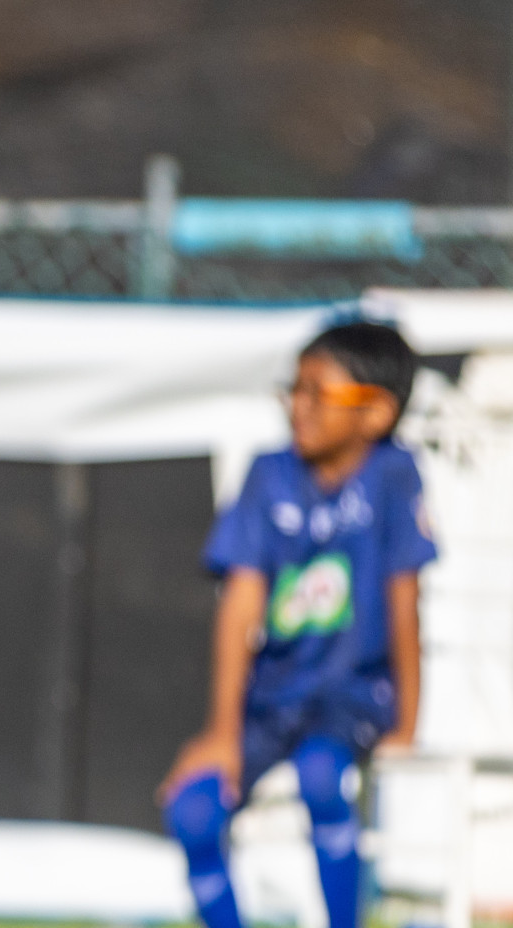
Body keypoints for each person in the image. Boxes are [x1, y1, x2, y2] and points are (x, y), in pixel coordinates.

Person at [159, 320, 437, 928]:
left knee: (321, 774)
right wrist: (221, 733)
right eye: (295, 389)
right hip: (272, 699)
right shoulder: (268, 475)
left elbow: (403, 598)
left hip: (353, 696)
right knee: (192, 811)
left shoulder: (394, 477)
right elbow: (238, 609)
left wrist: (409, 724)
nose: (298, 406)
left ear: (377, 412)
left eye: (318, 392)